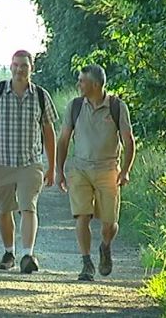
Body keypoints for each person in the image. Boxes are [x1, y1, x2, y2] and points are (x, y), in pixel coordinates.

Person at [0, 50, 58, 274]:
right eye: (16, 65)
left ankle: (27, 255)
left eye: (24, 66)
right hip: (1, 160)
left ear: (31, 69)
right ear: (10, 67)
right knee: (4, 209)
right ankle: (8, 252)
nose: (20, 70)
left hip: (30, 162)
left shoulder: (41, 95)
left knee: (28, 207)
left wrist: (52, 167)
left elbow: (49, 132)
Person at [56, 64, 136, 281]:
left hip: (108, 169)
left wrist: (126, 170)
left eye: (82, 81)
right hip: (80, 169)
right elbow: (63, 140)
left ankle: (105, 246)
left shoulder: (117, 107)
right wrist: (59, 171)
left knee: (109, 223)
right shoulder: (74, 106)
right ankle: (86, 263)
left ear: (95, 84)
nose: (78, 84)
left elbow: (128, 141)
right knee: (82, 216)